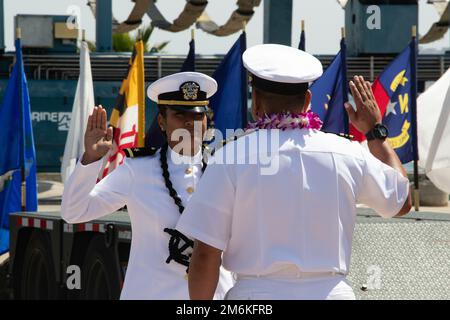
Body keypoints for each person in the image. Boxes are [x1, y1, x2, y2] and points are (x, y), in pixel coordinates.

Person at [175, 44, 412, 300]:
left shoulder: (230, 157)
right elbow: (401, 202)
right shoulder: (348, 153)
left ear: (255, 102)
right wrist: (375, 132)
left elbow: (206, 253)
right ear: (308, 101)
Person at [61, 72, 233, 300]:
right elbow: (74, 211)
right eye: (180, 115)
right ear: (162, 122)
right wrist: (91, 159)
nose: (190, 123)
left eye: (198, 115)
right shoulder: (138, 170)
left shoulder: (226, 168)